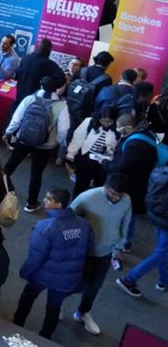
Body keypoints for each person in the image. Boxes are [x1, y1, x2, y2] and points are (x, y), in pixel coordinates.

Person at [13, 189, 92, 339]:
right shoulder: (84, 225)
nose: (44, 200)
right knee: (54, 308)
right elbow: (88, 250)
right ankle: (46, 336)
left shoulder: (45, 227)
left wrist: (25, 273)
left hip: (43, 275)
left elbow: (35, 257)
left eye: (49, 199)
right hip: (67, 278)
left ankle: (17, 324)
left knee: (28, 297)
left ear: (58, 204)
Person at [70, 174, 131, 335]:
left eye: (120, 195)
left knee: (94, 286)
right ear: (105, 187)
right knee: (71, 281)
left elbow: (126, 223)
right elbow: (68, 220)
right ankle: (58, 306)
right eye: (112, 193)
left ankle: (83, 312)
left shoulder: (126, 201)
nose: (116, 198)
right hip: (82, 250)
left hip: (104, 251)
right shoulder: (87, 198)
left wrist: (119, 247)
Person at [3, 76, 69, 213]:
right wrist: (56, 142)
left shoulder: (30, 99)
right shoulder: (62, 106)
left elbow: (16, 119)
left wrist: (9, 132)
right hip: (44, 145)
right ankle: (31, 203)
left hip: (24, 139)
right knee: (36, 173)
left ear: (40, 84)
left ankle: (0, 189)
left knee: (10, 165)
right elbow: (63, 130)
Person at [104, 114, 158, 252]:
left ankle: (124, 243)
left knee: (129, 215)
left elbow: (123, 166)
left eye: (120, 128)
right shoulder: (146, 134)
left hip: (132, 185)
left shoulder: (135, 144)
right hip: (141, 182)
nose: (118, 131)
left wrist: (106, 164)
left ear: (128, 128)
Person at [116, 165, 168, 298]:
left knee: (163, 251)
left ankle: (164, 281)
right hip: (165, 220)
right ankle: (128, 280)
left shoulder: (160, 170)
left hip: (156, 215)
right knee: (161, 253)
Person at [66, 107, 118, 197]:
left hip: (103, 163)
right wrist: (70, 154)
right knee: (80, 185)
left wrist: (107, 149)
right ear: (99, 118)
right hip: (85, 159)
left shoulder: (117, 130)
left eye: (109, 122)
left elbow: (117, 147)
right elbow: (78, 138)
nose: (106, 124)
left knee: (98, 187)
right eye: (103, 121)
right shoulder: (89, 122)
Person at [14, 38, 66, 107]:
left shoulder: (25, 58)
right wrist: (50, 86)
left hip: (20, 96)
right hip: (37, 100)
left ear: (36, 48)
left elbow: (17, 74)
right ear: (49, 51)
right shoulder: (49, 64)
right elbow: (62, 79)